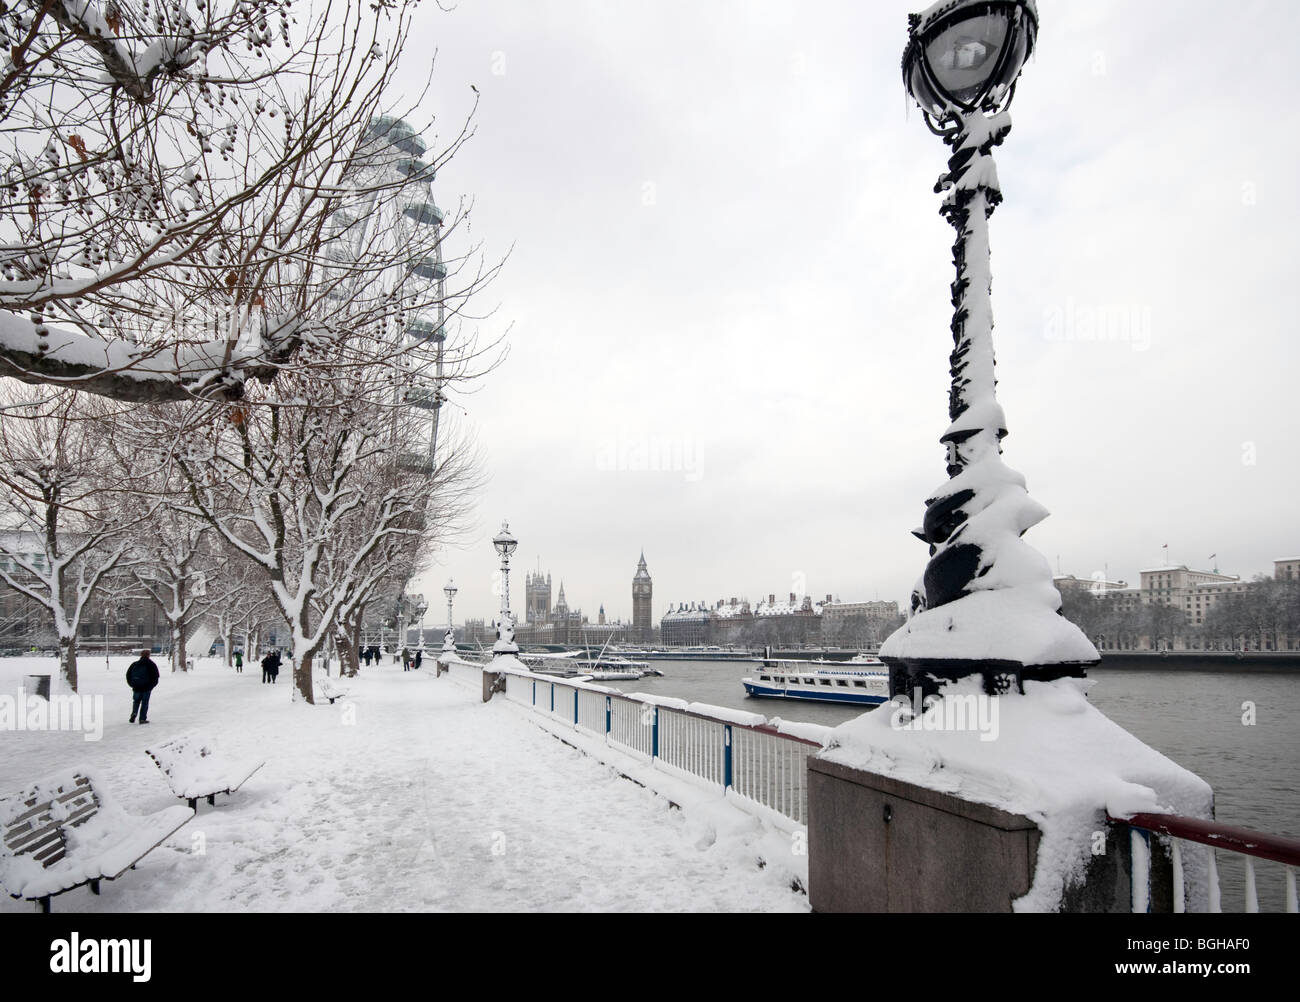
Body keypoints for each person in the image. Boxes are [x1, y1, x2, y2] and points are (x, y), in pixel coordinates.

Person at [126, 649, 160, 724]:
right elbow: (156, 676)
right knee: (145, 703)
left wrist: (132, 684)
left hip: (136, 687)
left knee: (136, 701)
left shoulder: (135, 664)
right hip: (146, 688)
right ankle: (142, 719)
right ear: (148, 655)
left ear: (141, 655)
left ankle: (134, 713)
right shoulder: (151, 664)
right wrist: (151, 686)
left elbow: (128, 674)